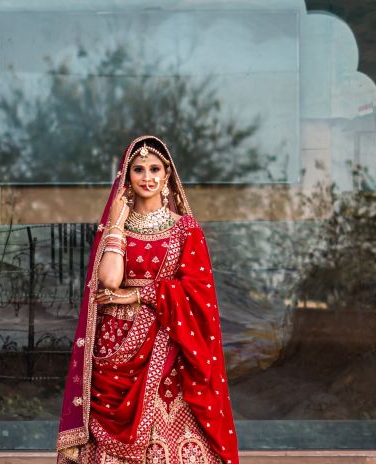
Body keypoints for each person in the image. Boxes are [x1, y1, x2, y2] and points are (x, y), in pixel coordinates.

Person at [56, 136, 239, 464]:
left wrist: (137, 294)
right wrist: (115, 223)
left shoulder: (185, 229)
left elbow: (197, 292)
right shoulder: (119, 227)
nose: (147, 176)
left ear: (167, 177)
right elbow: (110, 280)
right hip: (114, 342)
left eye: (155, 169)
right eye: (138, 170)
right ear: (127, 178)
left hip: (165, 339)